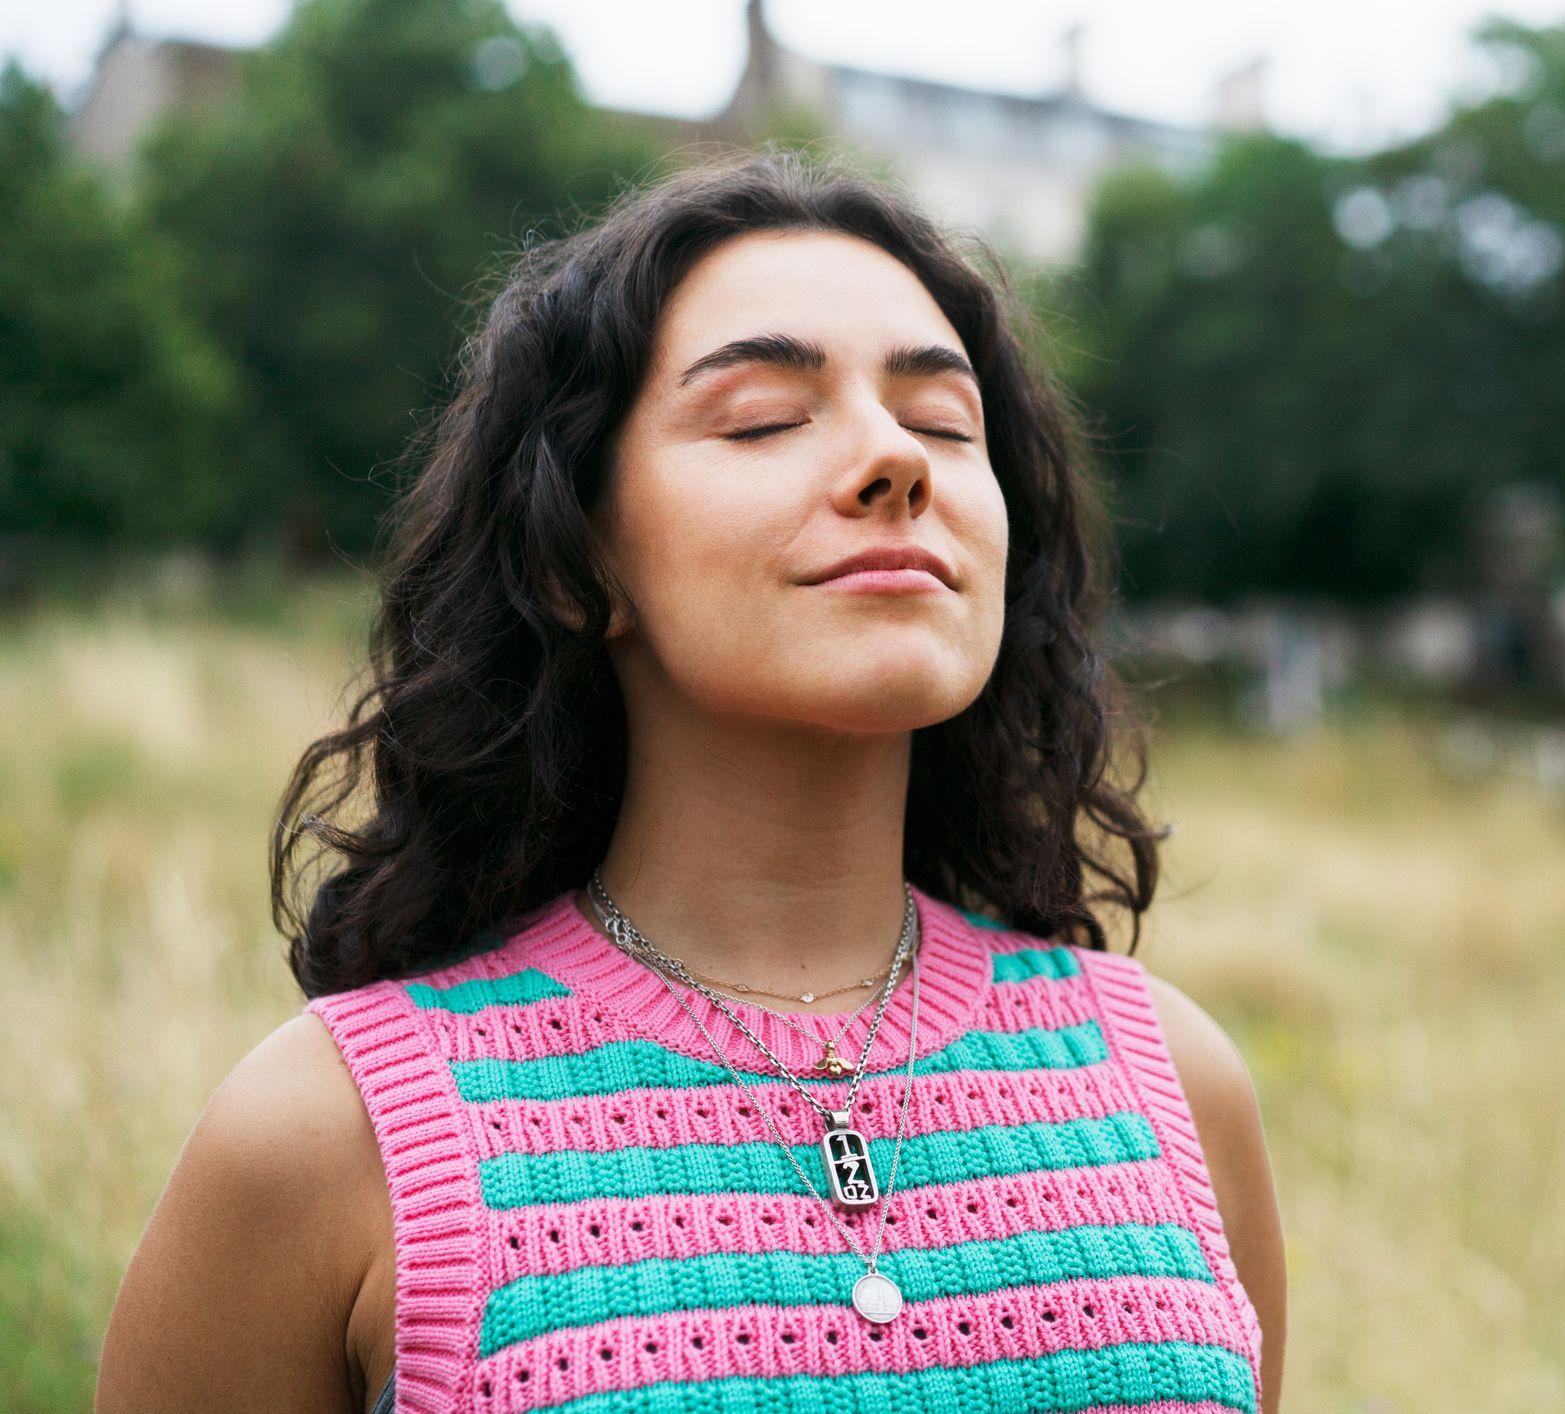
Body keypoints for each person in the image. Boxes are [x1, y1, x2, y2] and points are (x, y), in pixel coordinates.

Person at [97, 148, 1285, 1413]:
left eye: (944, 422)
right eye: (764, 417)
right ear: (575, 558)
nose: (899, 462)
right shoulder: (326, 1140)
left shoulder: (1174, 1084)